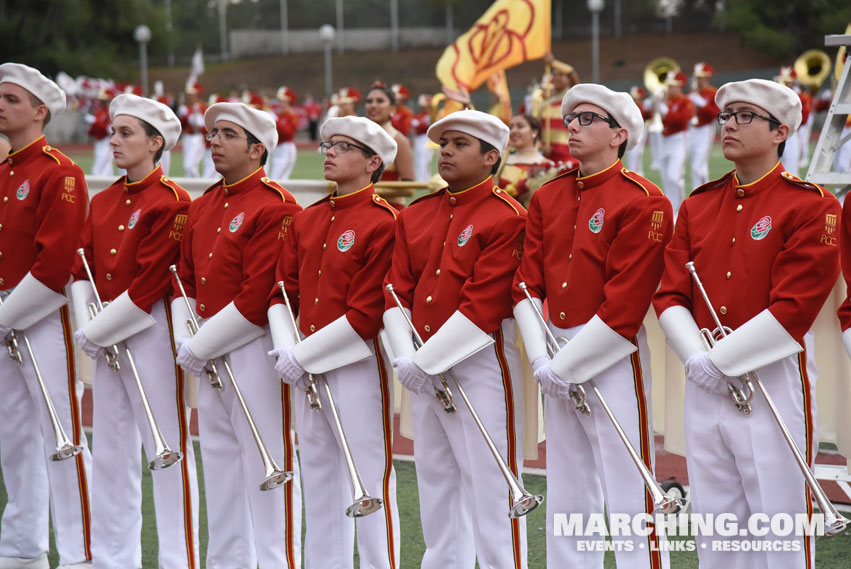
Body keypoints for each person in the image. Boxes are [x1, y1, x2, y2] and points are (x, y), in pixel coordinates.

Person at [653, 78, 840, 568]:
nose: (729, 124)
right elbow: (670, 292)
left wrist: (714, 360)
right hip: (704, 376)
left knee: (778, 524)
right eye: (726, 115)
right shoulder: (697, 204)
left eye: (744, 116)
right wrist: (698, 359)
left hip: (771, 377)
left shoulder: (811, 204)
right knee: (716, 523)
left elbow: (794, 308)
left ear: (781, 131)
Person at [517, 84, 673, 568]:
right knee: (567, 483)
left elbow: (626, 304)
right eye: (572, 119)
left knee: (628, 485)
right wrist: (544, 356)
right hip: (553, 351)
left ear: (619, 134)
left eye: (588, 120)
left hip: (611, 356)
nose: (573, 127)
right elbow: (527, 282)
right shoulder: (549, 195)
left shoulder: (645, 200)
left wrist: (564, 362)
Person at [383, 109, 529, 568]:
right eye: (443, 143)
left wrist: (420, 363)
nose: (445, 150)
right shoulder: (417, 214)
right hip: (421, 367)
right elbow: (394, 291)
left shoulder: (508, 216)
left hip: (478, 362)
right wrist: (407, 358)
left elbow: (483, 306)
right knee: (436, 482)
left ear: (492, 158)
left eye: (460, 144)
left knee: (492, 484)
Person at [172, 101, 303, 568]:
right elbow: (183, 279)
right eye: (213, 134)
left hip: (252, 348)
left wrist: (198, 345)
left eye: (227, 134)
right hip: (207, 351)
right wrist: (188, 336)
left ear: (257, 148)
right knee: (222, 466)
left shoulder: (276, 205)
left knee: (269, 467)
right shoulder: (204, 203)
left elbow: (258, 295)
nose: (213, 142)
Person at [70, 94, 199, 569]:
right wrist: (91, 327)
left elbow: (150, 282)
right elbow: (80, 265)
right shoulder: (103, 199)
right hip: (104, 336)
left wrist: (96, 331)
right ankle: (110, 558)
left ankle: (177, 560)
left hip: (150, 335)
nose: (115, 139)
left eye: (126, 133)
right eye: (114, 131)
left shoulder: (173, 202)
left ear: (155, 142)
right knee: (110, 448)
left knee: (167, 451)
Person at [268, 115, 400, 569]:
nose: (328, 152)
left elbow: (366, 312)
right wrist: (289, 348)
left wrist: (298, 355)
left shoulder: (384, 222)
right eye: (327, 145)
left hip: (354, 364)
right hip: (305, 364)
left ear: (372, 162)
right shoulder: (306, 220)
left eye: (342, 147)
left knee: (369, 480)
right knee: (320, 476)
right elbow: (281, 291)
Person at [0, 62, 92, 569]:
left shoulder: (61, 172)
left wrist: (5, 316)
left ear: (40, 112)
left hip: (42, 319)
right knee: (13, 437)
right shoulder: (5, 170)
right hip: (7, 319)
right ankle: (21, 547)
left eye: (11, 99)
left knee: (64, 438)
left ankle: (82, 554)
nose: (0, 105)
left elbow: (56, 264)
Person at [656, 70, 694, 216]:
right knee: (665, 177)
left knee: (674, 176)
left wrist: (665, 111)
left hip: (679, 139)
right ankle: (670, 208)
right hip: (664, 139)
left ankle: (679, 210)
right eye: (668, 85)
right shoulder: (665, 100)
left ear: (680, 86)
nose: (669, 88)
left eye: (673, 86)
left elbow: (682, 119)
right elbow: (647, 116)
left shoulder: (685, 101)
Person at [499, 113, 556, 206]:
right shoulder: (501, 160)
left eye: (520, 126)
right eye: (511, 127)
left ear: (534, 132)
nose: (513, 131)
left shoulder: (548, 166)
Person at [364, 82, 414, 182]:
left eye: (380, 101)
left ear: (392, 108)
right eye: (369, 101)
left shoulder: (398, 140)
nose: (373, 105)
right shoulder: (357, 137)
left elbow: (409, 185)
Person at [539, 52, 580, 169]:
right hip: (548, 157)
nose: (557, 78)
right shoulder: (544, 102)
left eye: (561, 75)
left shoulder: (573, 98)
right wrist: (540, 145)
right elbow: (537, 127)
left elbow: (572, 73)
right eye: (555, 75)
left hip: (569, 155)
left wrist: (553, 63)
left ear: (569, 80)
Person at [688, 62, 720, 188]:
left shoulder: (712, 92)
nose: (698, 80)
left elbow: (716, 114)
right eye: (697, 77)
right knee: (696, 164)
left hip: (705, 129)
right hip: (692, 129)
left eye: (701, 77)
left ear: (707, 77)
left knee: (698, 165)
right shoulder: (693, 93)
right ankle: (702, 190)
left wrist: (702, 103)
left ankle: (701, 190)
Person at [270, 86, 298, 181]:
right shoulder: (279, 114)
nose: (280, 103)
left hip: (286, 148)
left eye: (283, 101)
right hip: (277, 148)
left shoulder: (292, 115)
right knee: (277, 179)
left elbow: (287, 132)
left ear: (288, 102)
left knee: (277, 179)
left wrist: (275, 120)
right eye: (279, 101)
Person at [177, 83, 205, 177]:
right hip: (188, 138)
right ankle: (191, 189)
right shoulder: (188, 108)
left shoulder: (202, 107)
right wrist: (183, 116)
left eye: (192, 95)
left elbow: (205, 125)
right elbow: (183, 125)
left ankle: (197, 187)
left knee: (190, 166)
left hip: (197, 137)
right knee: (186, 167)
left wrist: (198, 118)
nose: (190, 97)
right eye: (189, 95)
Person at [625, 86, 652, 176]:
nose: (634, 98)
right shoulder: (633, 105)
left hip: (640, 129)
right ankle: (635, 171)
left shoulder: (641, 105)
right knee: (632, 152)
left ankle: (636, 171)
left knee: (637, 152)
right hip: (632, 129)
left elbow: (646, 116)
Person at [87, 89, 114, 177]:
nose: (101, 102)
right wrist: (90, 127)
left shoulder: (110, 113)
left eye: (103, 100)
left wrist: (96, 122)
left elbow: (109, 129)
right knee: (105, 168)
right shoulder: (98, 112)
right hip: (99, 141)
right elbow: (93, 131)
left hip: (107, 142)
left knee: (99, 169)